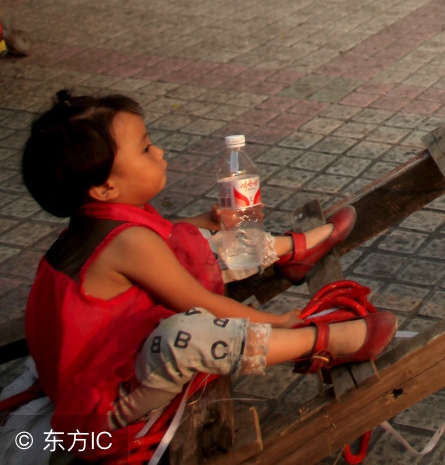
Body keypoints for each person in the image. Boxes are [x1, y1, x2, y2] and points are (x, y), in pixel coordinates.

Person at [18, 90, 397, 457]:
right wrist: (275, 321)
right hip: (106, 414)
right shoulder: (129, 243)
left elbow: (164, 241)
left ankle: (295, 250)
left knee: (188, 238)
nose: (160, 152)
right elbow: (203, 303)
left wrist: (205, 223)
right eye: (146, 148)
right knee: (188, 333)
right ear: (105, 187)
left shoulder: (95, 224)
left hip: (96, 368)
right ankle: (314, 340)